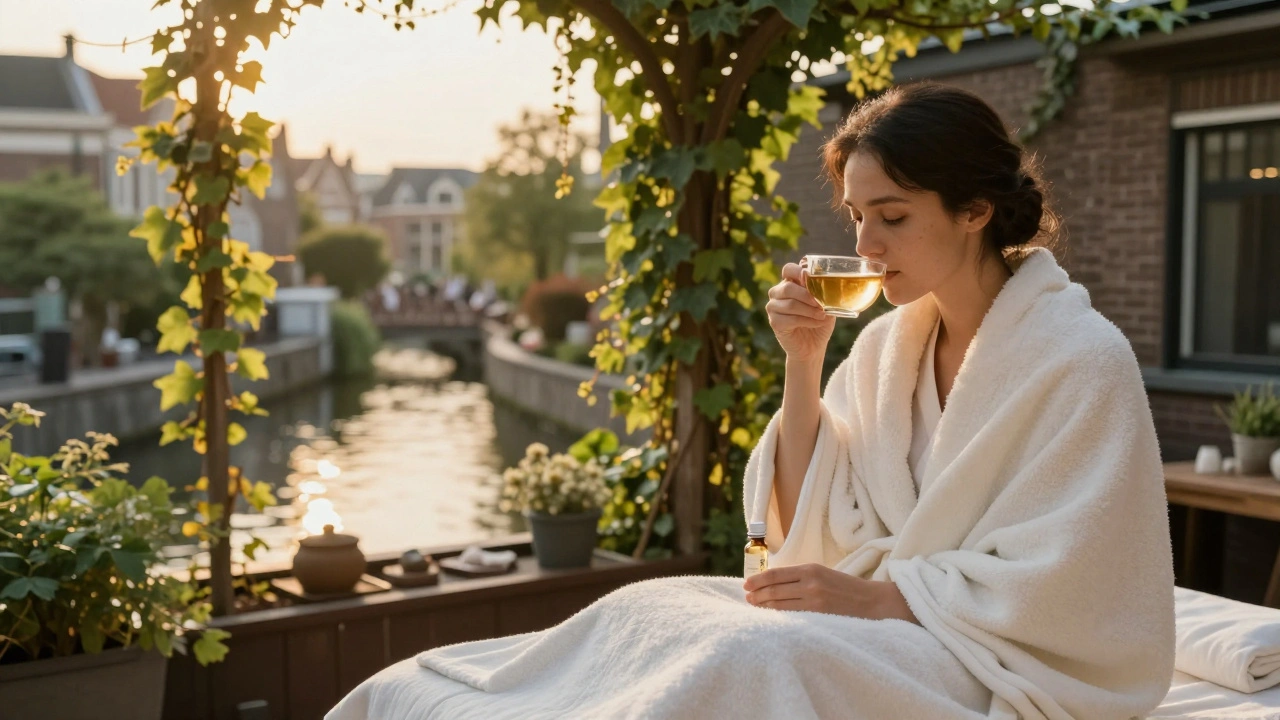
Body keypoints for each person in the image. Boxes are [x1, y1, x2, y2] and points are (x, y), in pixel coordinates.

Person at [327, 83, 1175, 720]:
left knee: (750, 656)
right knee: (647, 605)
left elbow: (1075, 584)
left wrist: (887, 598)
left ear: (974, 212)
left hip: (993, 663)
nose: (866, 247)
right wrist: (803, 366)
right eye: (853, 219)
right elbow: (813, 521)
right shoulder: (885, 348)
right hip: (895, 627)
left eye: (891, 217)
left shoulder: (1079, 361)